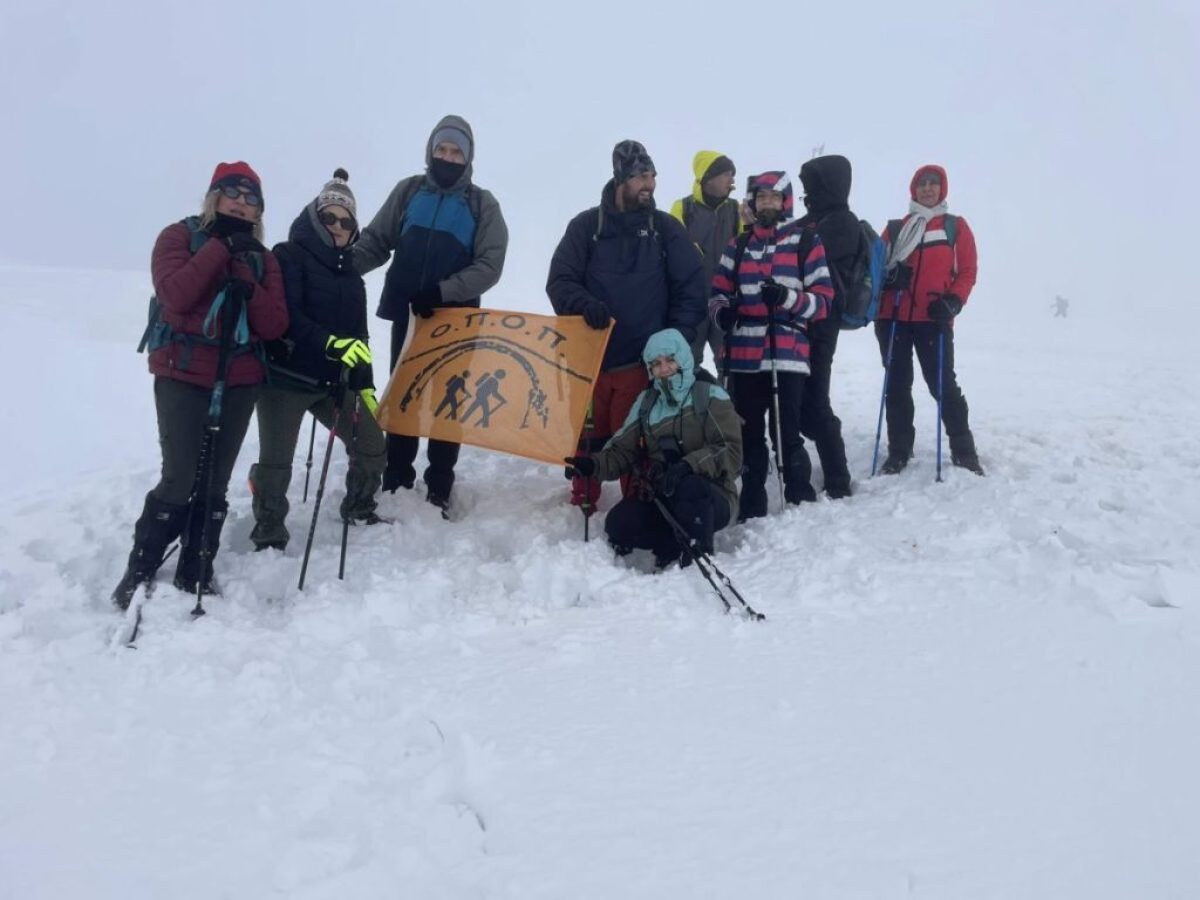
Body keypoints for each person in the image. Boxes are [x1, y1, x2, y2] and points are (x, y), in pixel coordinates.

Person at [112, 162, 289, 607]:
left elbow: (274, 324)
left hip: (240, 379)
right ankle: (142, 564)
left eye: (252, 198)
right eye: (233, 192)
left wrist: (247, 280)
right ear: (213, 196)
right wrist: (220, 248)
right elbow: (175, 294)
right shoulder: (178, 237)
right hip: (183, 374)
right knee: (178, 477)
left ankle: (198, 563)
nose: (242, 203)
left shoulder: (263, 259)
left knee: (214, 481)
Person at [354, 115, 509, 513]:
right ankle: (397, 478)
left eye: (456, 151)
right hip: (410, 315)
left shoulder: (481, 204)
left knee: (449, 401)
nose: (448, 156)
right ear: (430, 151)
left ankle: (439, 483)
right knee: (405, 392)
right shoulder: (408, 192)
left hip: (455, 320)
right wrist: (337, 271)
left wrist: (443, 291)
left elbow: (489, 265)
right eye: (442, 149)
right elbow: (375, 241)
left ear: (468, 158)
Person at [547, 139, 706, 509]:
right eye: (639, 176)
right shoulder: (586, 227)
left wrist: (674, 341)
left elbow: (691, 288)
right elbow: (560, 280)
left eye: (652, 175)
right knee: (588, 439)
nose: (648, 184)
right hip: (590, 362)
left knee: (636, 438)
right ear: (620, 179)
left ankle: (637, 501)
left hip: (641, 363)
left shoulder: (666, 230)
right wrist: (584, 305)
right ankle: (583, 497)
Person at [248, 169, 386, 552]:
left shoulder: (353, 277)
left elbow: (359, 339)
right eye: (330, 217)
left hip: (332, 384)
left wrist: (367, 386)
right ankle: (269, 533)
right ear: (315, 217)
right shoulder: (287, 255)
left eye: (346, 221)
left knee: (373, 444)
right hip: (283, 379)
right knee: (276, 465)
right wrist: (332, 343)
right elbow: (287, 318)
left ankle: (359, 507)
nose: (338, 225)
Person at [708, 171, 833, 519]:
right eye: (761, 197)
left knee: (786, 432)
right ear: (752, 202)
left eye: (774, 198)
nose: (767, 204)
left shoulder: (806, 241)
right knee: (748, 433)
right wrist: (724, 314)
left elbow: (823, 301)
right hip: (744, 356)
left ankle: (799, 497)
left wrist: (788, 297)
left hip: (787, 352)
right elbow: (717, 293)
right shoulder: (738, 246)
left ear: (785, 202)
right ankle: (752, 502)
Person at [564, 329, 742, 568]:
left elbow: (730, 450)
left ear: (683, 358)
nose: (664, 368)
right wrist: (592, 465)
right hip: (663, 496)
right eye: (656, 364)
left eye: (670, 359)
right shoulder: (647, 403)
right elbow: (623, 450)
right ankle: (671, 542)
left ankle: (697, 554)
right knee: (619, 523)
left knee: (691, 487)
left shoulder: (709, 395)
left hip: (711, 497)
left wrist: (688, 466)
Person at [876, 164, 982, 475]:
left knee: (943, 386)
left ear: (942, 189)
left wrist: (953, 301)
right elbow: (877, 267)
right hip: (892, 316)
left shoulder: (954, 226)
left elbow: (967, 271)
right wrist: (891, 277)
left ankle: (964, 451)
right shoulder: (896, 228)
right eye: (922, 184)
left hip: (934, 319)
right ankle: (899, 451)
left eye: (933, 184)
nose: (927, 189)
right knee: (896, 386)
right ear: (913, 189)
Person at [793, 154, 858, 499]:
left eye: (813, 185)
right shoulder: (816, 218)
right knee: (804, 401)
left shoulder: (841, 222)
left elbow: (801, 249)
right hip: (802, 323)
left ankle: (838, 479)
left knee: (815, 401)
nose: (808, 192)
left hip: (822, 325)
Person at [669, 150, 740, 370]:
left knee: (730, 365)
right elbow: (672, 253)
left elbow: (747, 252)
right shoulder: (682, 208)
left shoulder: (736, 210)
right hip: (692, 304)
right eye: (727, 174)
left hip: (726, 303)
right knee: (686, 365)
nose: (732, 180)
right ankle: (690, 405)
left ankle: (728, 405)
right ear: (708, 177)